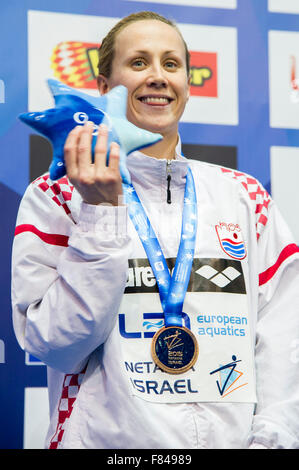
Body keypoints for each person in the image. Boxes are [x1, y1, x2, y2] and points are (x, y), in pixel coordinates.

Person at [12, 11, 299, 449]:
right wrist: (101, 213)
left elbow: (284, 340)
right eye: (139, 62)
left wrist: (271, 441)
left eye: (170, 64)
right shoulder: (58, 194)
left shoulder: (244, 196)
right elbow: (55, 345)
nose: (158, 77)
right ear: (105, 88)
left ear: (187, 84)